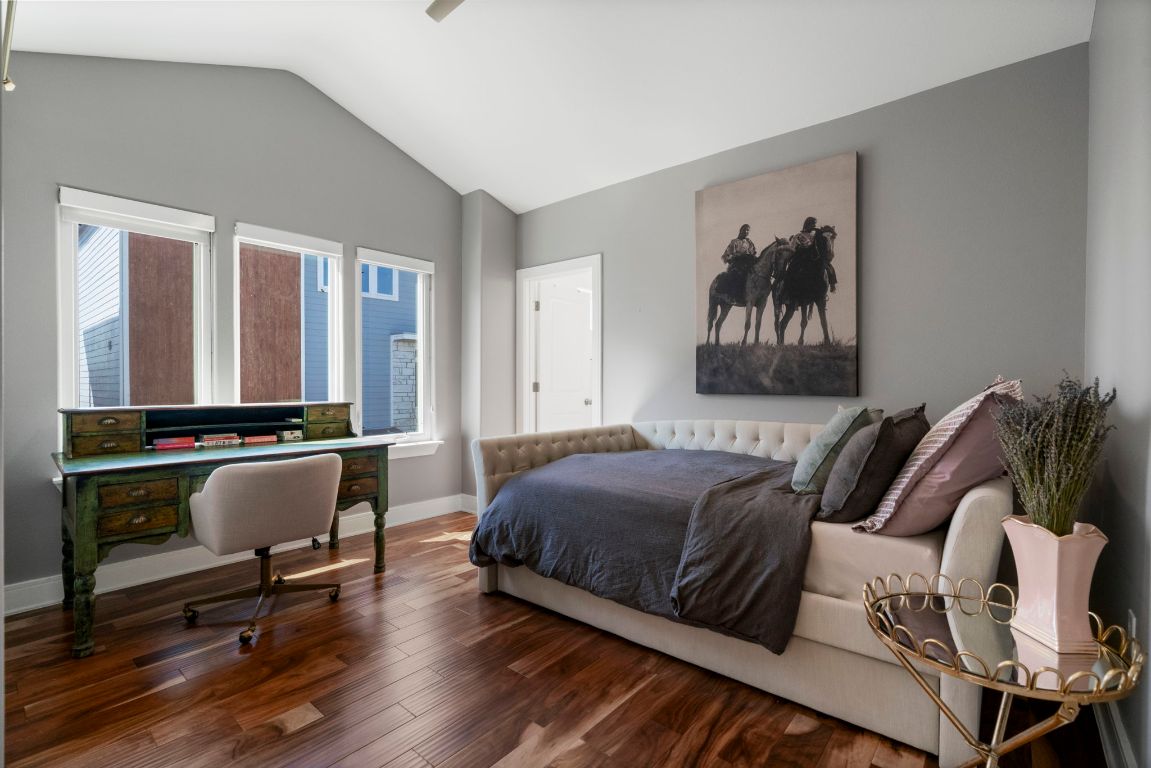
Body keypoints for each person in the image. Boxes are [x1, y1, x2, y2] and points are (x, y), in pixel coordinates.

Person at [790, 216, 837, 293]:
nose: (814, 226)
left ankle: (832, 285)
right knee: (790, 270)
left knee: (828, 268)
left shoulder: (817, 234)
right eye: (812, 224)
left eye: (814, 224)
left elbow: (823, 249)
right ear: (808, 224)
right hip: (801, 258)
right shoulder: (799, 235)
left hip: (815, 258)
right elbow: (793, 248)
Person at [718, 224, 757, 302]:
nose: (746, 232)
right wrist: (737, 257)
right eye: (745, 230)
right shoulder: (734, 242)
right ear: (741, 231)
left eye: (748, 230)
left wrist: (751, 257)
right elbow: (726, 255)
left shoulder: (749, 242)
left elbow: (754, 253)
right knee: (736, 275)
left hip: (748, 265)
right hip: (737, 265)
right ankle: (733, 296)